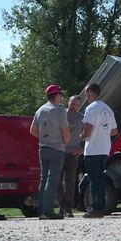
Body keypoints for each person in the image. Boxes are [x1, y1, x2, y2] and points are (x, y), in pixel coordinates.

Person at [30, 84, 70, 220]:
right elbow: (66, 132)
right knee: (52, 180)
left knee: (43, 179)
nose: (61, 97)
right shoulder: (59, 111)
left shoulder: (40, 110)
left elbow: (32, 130)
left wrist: (44, 137)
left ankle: (41, 210)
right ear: (57, 95)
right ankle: (48, 211)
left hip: (43, 148)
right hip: (57, 149)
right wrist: (65, 141)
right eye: (60, 95)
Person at [81, 83, 118, 218]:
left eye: (86, 93)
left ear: (91, 92)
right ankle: (101, 206)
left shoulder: (91, 108)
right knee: (100, 179)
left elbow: (89, 126)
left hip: (92, 149)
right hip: (104, 149)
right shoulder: (108, 109)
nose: (86, 96)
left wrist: (83, 136)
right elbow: (114, 131)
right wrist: (102, 133)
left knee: (94, 180)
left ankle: (96, 208)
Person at [57, 95, 83, 218]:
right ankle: (61, 205)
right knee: (57, 180)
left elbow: (88, 134)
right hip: (59, 151)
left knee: (70, 181)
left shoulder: (82, 119)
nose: (74, 107)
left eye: (77, 105)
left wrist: (81, 149)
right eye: (73, 104)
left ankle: (69, 208)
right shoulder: (61, 115)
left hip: (73, 153)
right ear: (68, 102)